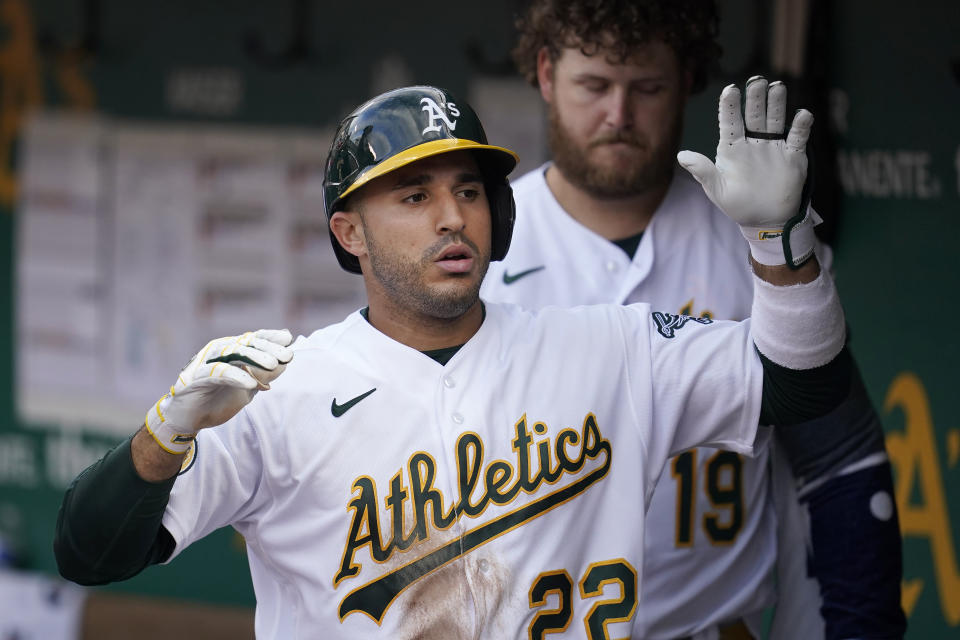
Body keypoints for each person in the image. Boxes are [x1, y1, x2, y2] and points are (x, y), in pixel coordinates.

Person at [56, 81, 852, 639]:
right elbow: (89, 553)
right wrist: (165, 434)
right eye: (413, 196)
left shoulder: (611, 347)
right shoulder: (279, 393)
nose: (452, 217)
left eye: (468, 190)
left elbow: (804, 383)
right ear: (350, 233)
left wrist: (780, 245)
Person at [480, 1, 905, 639]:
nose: (618, 115)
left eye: (646, 87)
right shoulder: (474, 248)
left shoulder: (764, 243)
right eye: (593, 85)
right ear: (546, 74)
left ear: (685, 83)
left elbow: (838, 455)